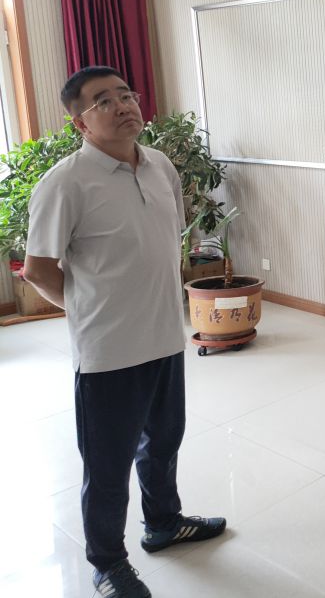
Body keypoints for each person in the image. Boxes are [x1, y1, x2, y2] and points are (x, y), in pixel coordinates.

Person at [23, 67, 226, 598]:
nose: (122, 105)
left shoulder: (160, 165)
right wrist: (88, 309)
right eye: (103, 101)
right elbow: (38, 269)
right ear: (80, 123)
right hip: (108, 353)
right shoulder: (64, 183)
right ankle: (108, 563)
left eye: (126, 94)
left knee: (164, 442)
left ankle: (163, 523)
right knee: (108, 465)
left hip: (165, 338)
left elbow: (166, 239)